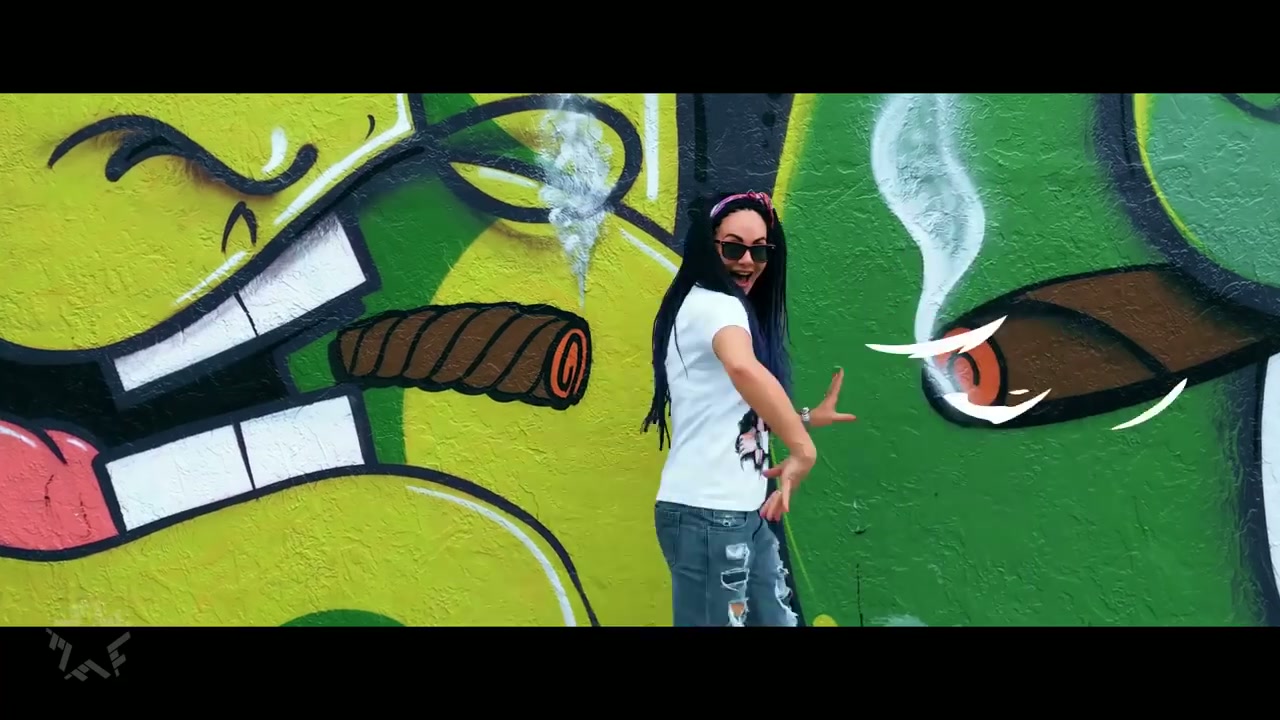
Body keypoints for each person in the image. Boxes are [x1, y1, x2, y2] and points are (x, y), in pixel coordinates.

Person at [641, 190, 856, 627]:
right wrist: (803, 448)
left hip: (741, 513)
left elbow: (730, 410)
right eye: (733, 247)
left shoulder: (710, 305)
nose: (747, 261)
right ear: (709, 246)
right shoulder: (716, 306)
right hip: (709, 516)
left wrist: (804, 418)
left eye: (759, 250)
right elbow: (743, 368)